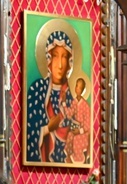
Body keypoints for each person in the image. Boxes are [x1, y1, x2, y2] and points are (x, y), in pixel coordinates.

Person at [26, 30, 77, 163]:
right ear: (48, 59)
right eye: (55, 56)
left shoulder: (72, 97)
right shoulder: (37, 90)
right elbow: (29, 133)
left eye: (64, 57)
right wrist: (47, 128)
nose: (60, 65)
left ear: (70, 62)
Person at [65, 78, 91, 164]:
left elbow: (88, 125)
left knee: (76, 139)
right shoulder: (74, 102)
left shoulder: (85, 105)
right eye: (76, 86)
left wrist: (79, 131)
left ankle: (78, 162)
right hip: (75, 128)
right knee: (69, 135)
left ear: (83, 90)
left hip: (84, 132)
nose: (77, 88)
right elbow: (69, 114)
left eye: (79, 87)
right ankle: (69, 160)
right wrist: (64, 105)